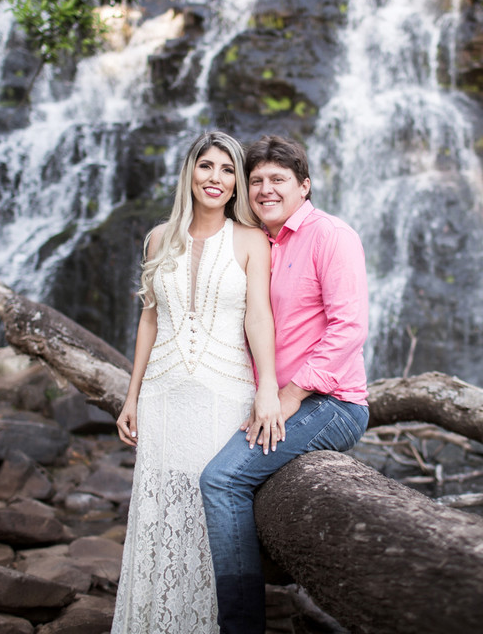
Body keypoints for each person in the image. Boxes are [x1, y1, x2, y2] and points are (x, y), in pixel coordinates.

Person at [112, 131, 285, 634]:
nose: (216, 179)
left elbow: (259, 318)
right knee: (159, 509)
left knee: (211, 509)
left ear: (237, 185)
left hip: (224, 394)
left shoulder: (252, 240)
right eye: (206, 167)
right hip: (162, 394)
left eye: (228, 170)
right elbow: (149, 319)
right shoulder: (157, 238)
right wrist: (131, 396)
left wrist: (269, 388)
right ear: (189, 172)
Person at [200, 135, 370, 634]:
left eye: (278, 180)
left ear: (304, 186)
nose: (265, 189)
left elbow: (349, 328)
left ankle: (241, 626)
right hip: (271, 397)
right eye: (256, 181)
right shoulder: (258, 242)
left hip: (330, 402)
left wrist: (290, 393)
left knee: (222, 479)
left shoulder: (332, 235)